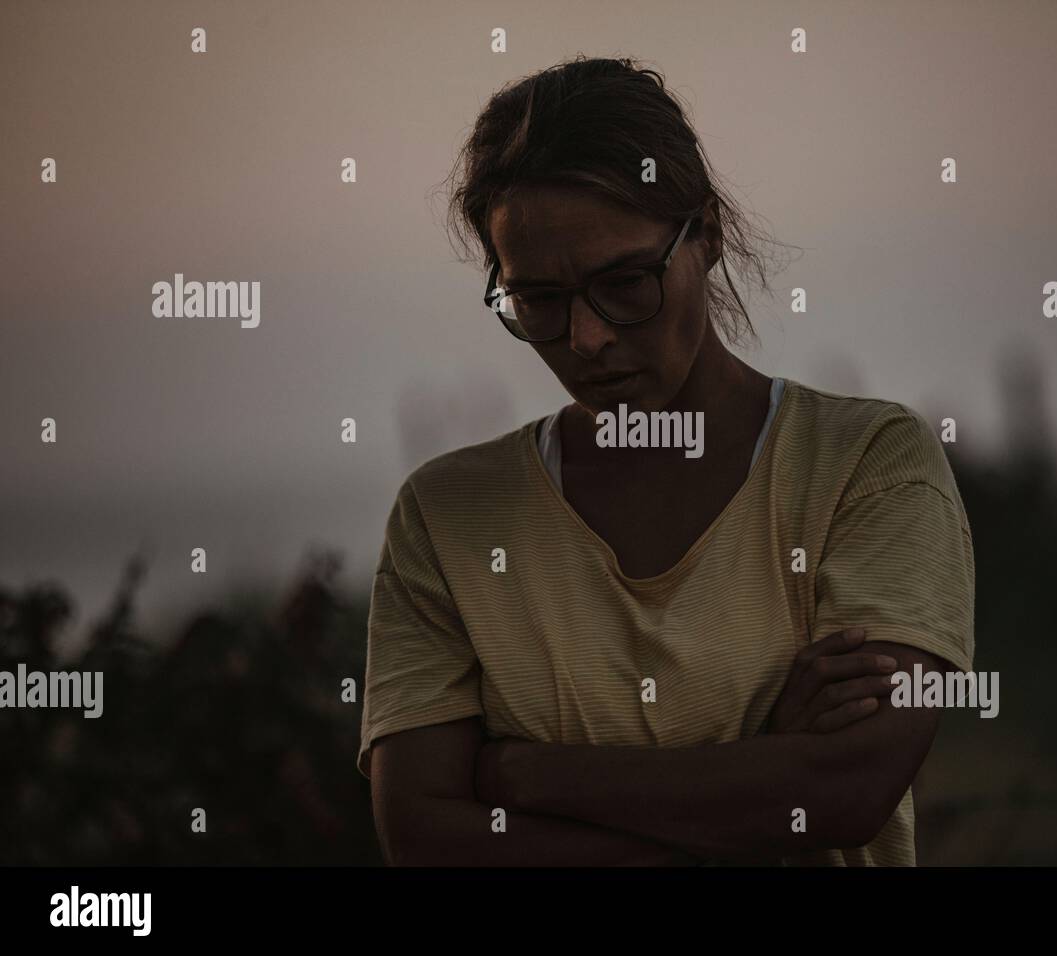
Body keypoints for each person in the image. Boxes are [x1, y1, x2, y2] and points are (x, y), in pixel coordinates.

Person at [358, 55, 975, 866]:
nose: (587, 338)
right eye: (539, 300)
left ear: (707, 235)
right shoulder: (448, 518)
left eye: (624, 282)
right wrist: (758, 775)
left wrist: (524, 774)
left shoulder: (868, 467)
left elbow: (845, 790)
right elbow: (425, 836)